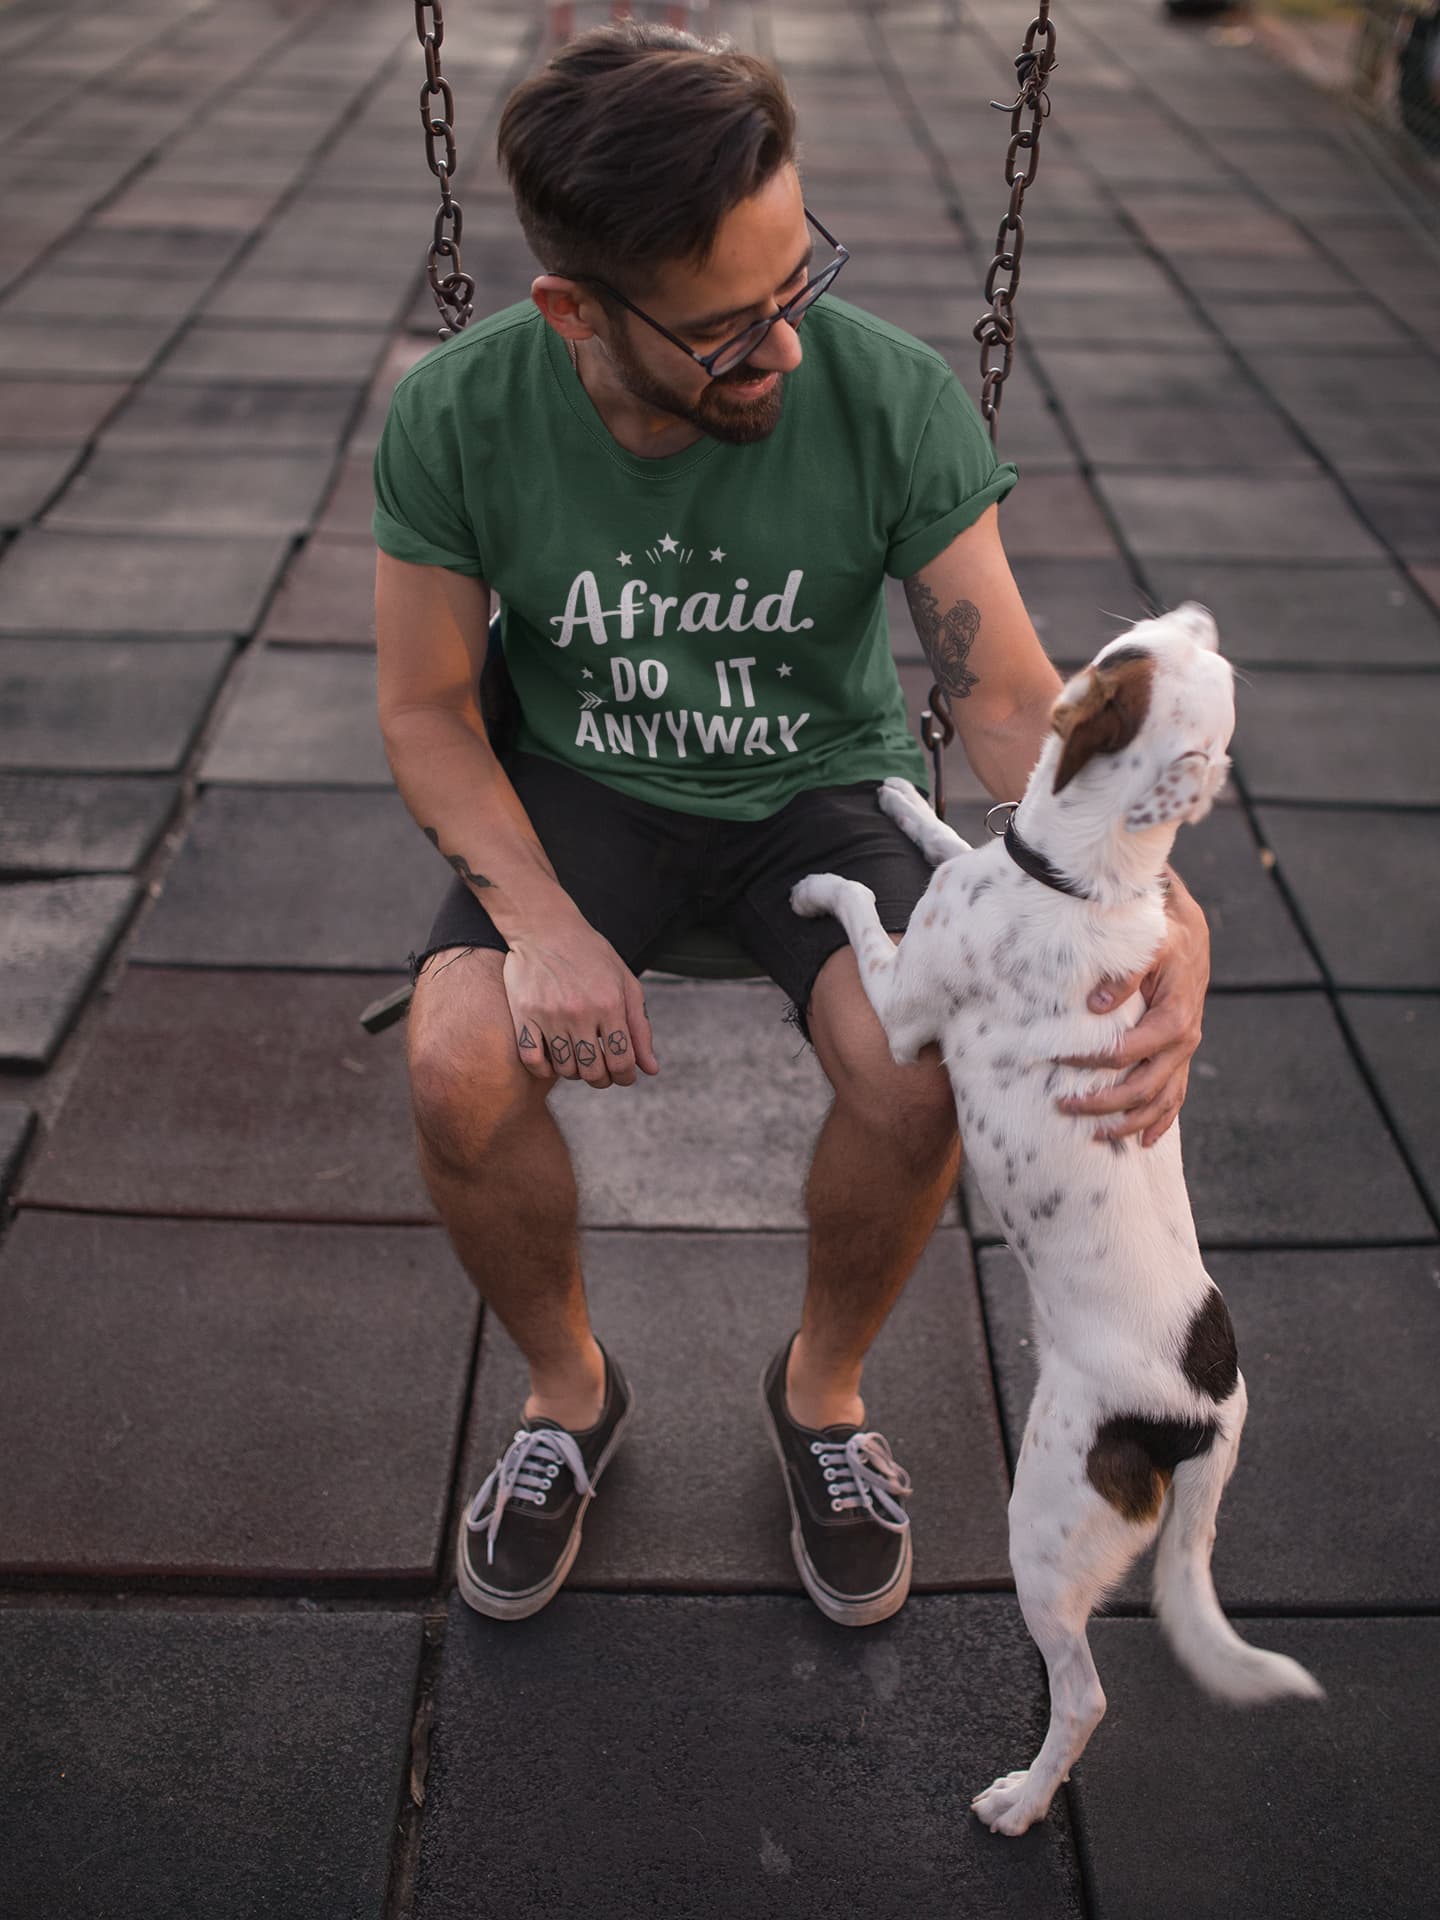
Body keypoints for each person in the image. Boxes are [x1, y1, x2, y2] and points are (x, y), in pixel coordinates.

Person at [371, 20, 1211, 1628]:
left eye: (795, 286)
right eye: (726, 330)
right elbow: (424, 707)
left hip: (820, 787)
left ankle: (822, 1393)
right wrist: (542, 928)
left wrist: (1162, 901)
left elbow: (1002, 700)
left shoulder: (884, 398)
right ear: (573, 314)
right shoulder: (461, 417)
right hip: (580, 784)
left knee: (917, 1082)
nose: (786, 352)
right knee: (456, 1062)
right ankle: (568, 1397)